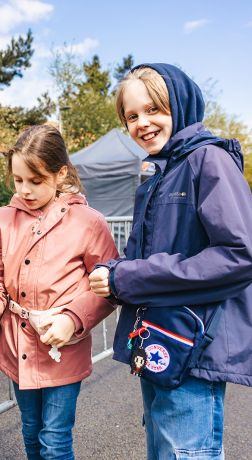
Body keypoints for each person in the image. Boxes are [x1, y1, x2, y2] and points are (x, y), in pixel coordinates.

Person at [89, 63, 252, 459]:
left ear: (180, 105)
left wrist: (128, 278)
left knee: (185, 452)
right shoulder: (159, 172)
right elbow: (142, 256)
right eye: (131, 115)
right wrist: (114, 271)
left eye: (153, 110)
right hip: (161, 341)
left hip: (195, 345)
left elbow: (238, 255)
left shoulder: (208, 160)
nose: (142, 123)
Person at [0, 124, 118, 460]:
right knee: (30, 432)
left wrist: (72, 319)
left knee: (54, 441)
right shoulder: (0, 220)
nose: (25, 189)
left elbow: (108, 284)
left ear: (60, 174)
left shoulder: (89, 222)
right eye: (18, 179)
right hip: (17, 346)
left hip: (63, 348)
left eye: (36, 180)